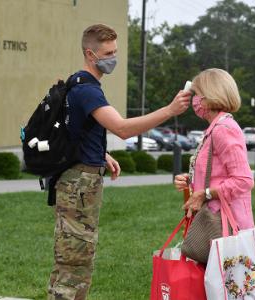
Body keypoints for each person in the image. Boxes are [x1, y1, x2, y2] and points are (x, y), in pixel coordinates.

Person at [47, 24, 191, 300]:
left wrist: (100, 155)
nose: (113, 58)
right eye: (108, 53)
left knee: (77, 255)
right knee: (74, 259)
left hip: (79, 179)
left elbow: (73, 131)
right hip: (78, 184)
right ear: (90, 54)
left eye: (115, 51)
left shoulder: (77, 84)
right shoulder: (87, 90)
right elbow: (122, 129)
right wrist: (170, 110)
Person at [174, 68, 254, 237]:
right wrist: (191, 182)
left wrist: (206, 194)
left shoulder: (223, 129)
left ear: (211, 96)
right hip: (213, 222)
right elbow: (218, 173)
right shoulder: (215, 128)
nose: (194, 100)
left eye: (197, 94)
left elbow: (243, 180)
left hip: (226, 226)